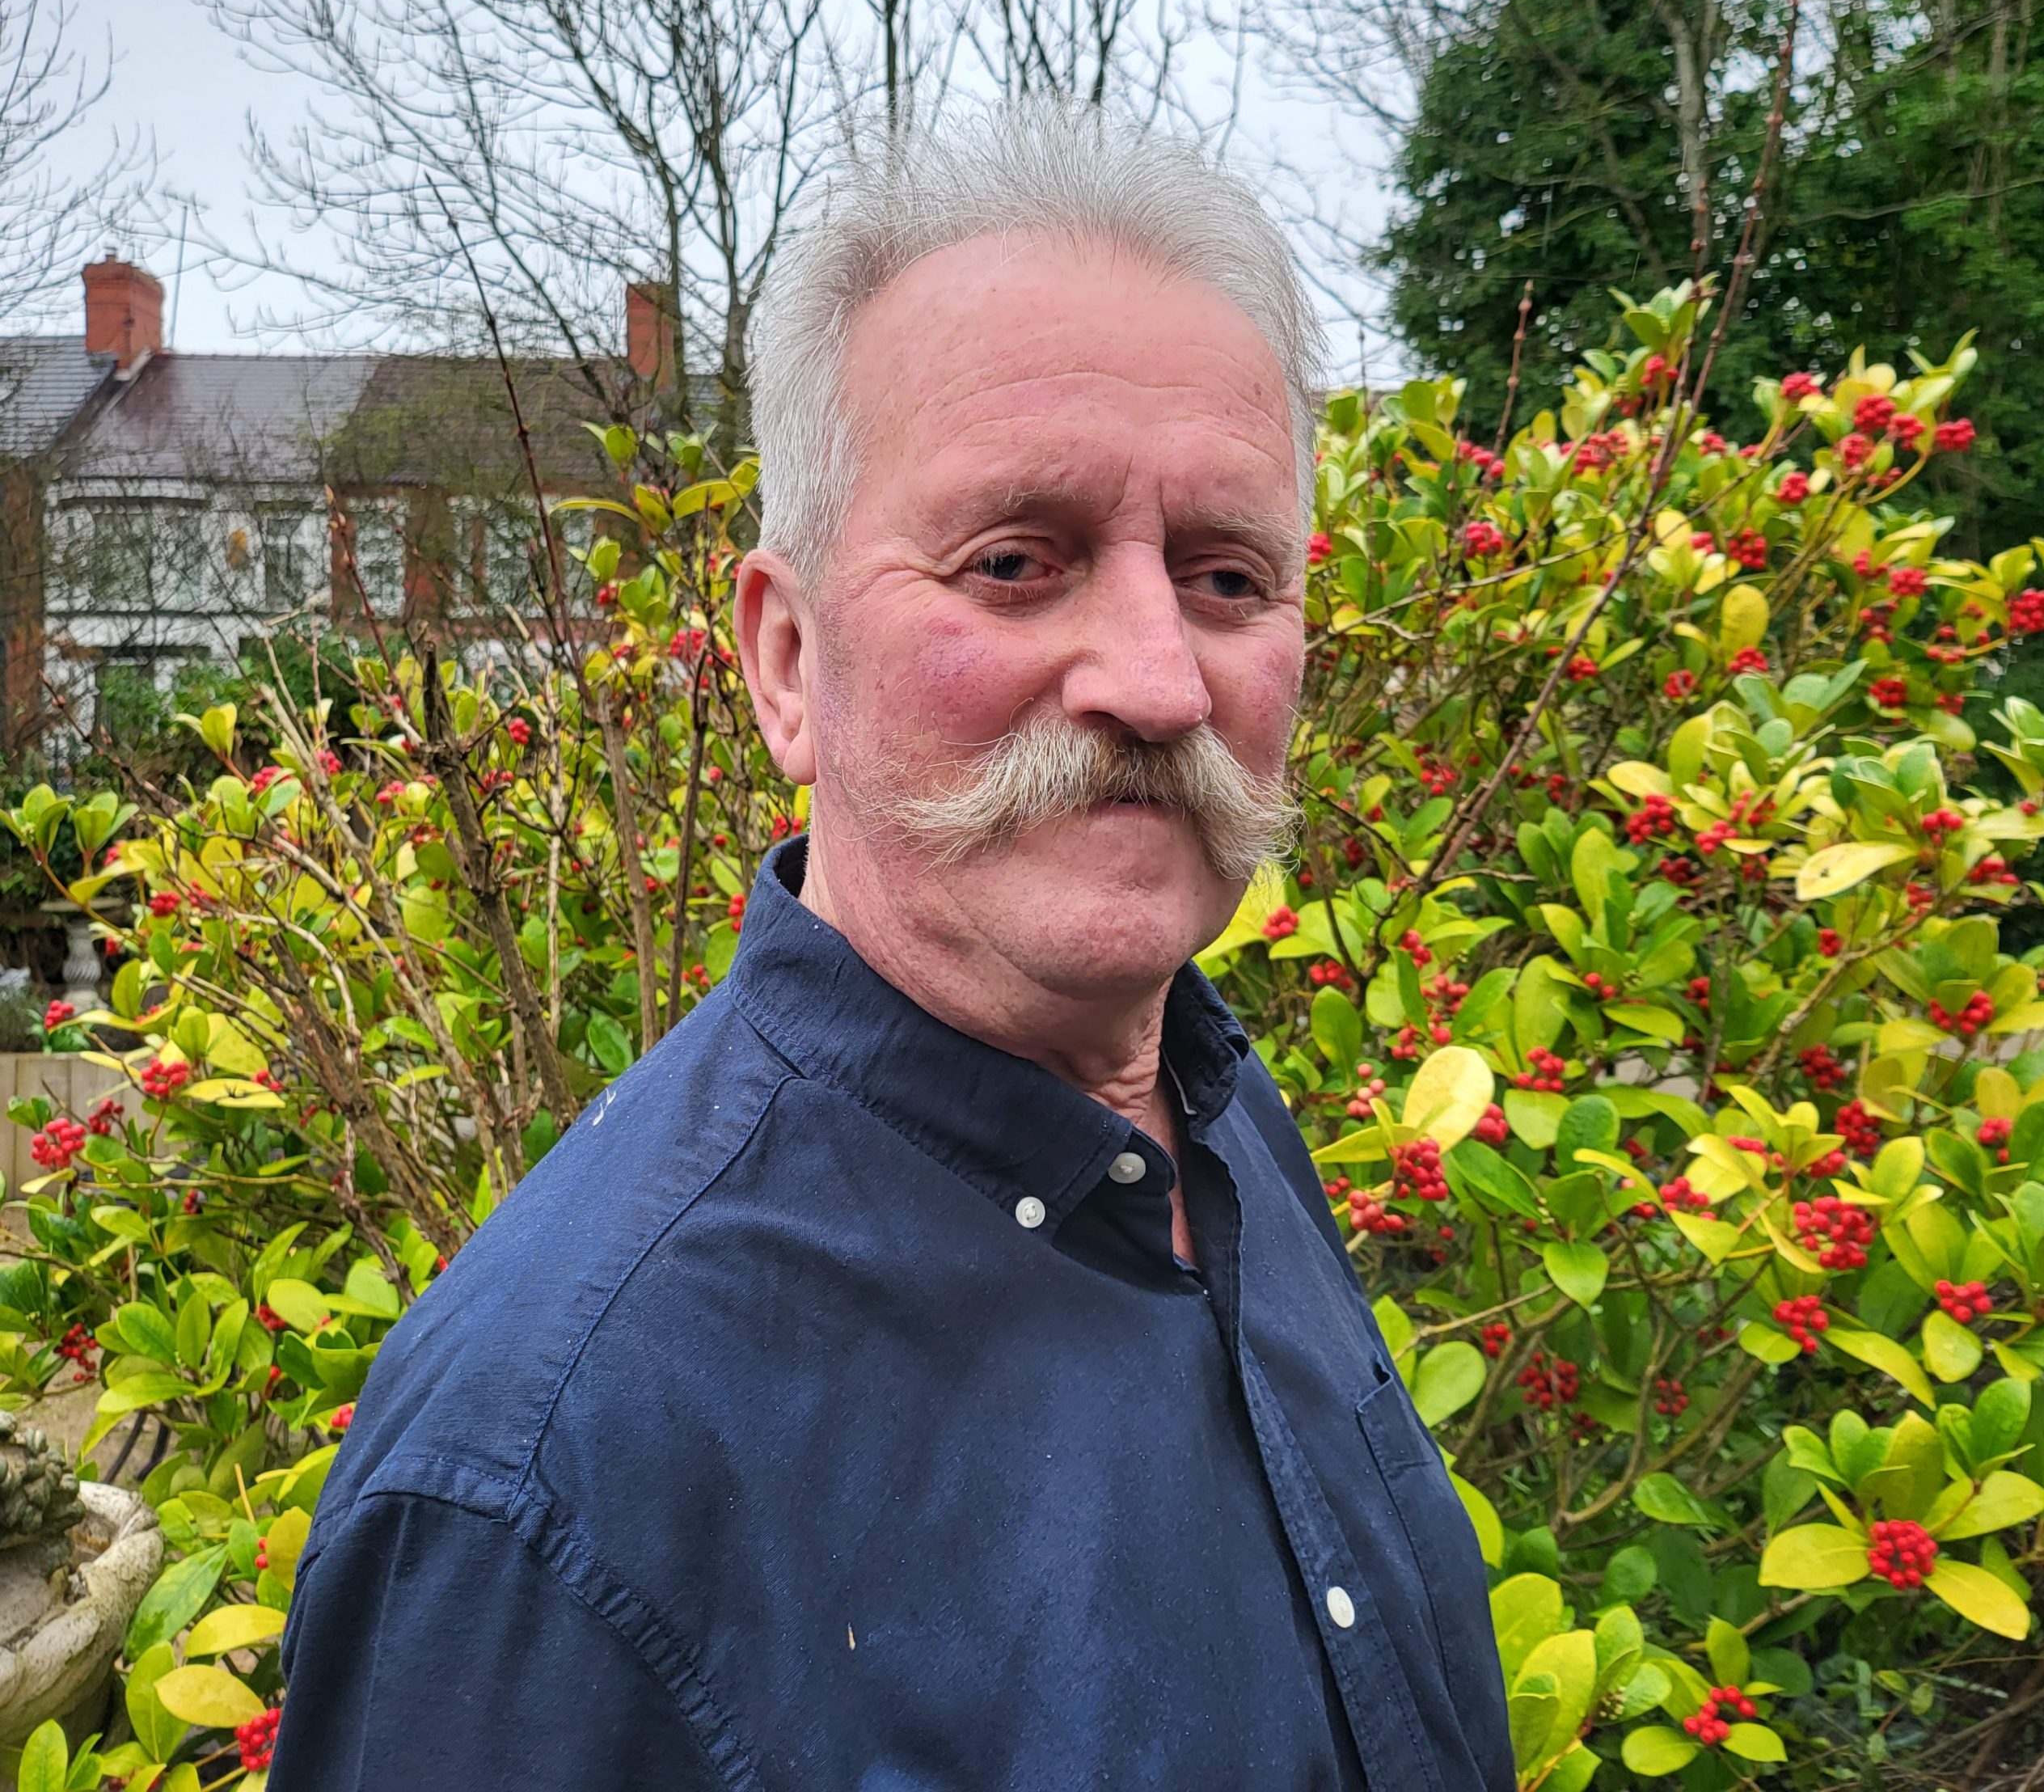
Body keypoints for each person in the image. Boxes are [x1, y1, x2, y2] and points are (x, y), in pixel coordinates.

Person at [270, 105, 1510, 1790]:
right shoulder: (550, 1472)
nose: (1155, 677)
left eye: (1226, 575)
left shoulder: (1204, 1116)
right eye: (1013, 563)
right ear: (784, 659)